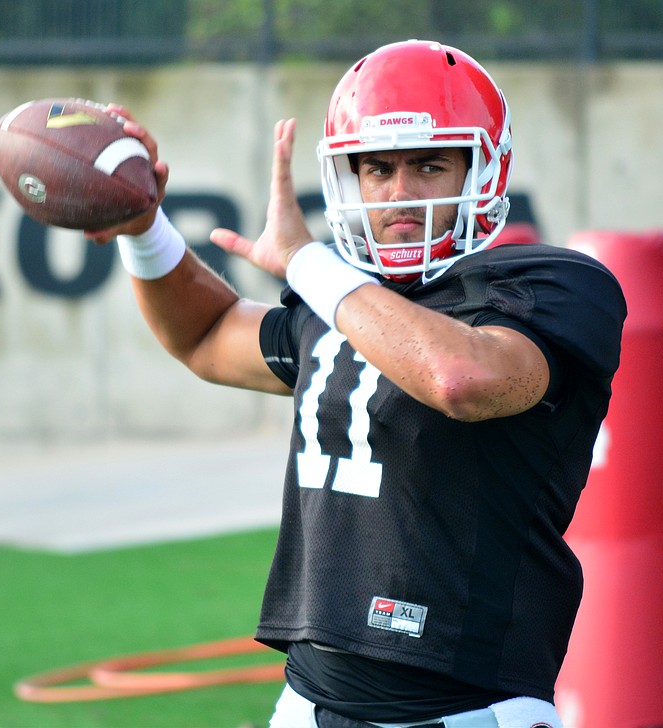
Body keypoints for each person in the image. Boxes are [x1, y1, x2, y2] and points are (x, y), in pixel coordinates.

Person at [89, 40, 626, 728]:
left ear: (485, 168)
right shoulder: (344, 299)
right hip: (307, 701)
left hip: (468, 711)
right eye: (377, 169)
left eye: (429, 165)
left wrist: (308, 264)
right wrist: (145, 228)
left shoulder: (554, 284)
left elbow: (460, 376)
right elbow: (204, 335)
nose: (399, 194)